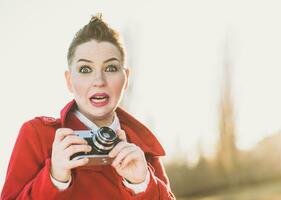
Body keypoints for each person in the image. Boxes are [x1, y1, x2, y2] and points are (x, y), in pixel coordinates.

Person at [1, 13, 175, 200]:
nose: (99, 81)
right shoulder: (38, 136)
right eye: (85, 69)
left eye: (110, 68)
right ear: (69, 81)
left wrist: (142, 185)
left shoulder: (142, 147)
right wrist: (54, 179)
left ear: (126, 79)